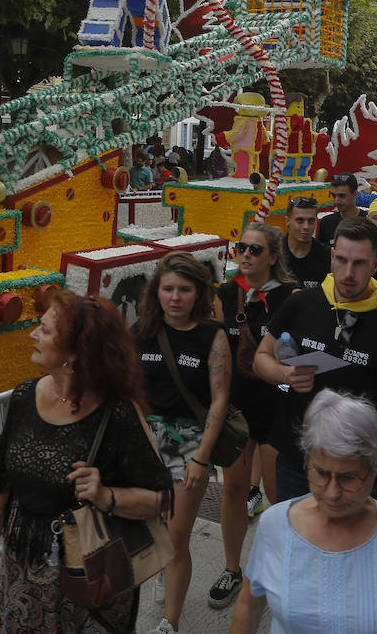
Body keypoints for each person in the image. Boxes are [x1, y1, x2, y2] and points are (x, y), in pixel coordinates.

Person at [0, 292, 172, 633]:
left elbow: (161, 499)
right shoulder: (23, 397)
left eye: (46, 331)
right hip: (24, 568)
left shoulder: (118, 414)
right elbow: (6, 478)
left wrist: (106, 495)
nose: (32, 335)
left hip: (90, 577)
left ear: (75, 352)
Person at [229, 389, 377, 634]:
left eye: (349, 478)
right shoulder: (275, 525)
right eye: (322, 473)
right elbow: (249, 605)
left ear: (375, 469)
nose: (332, 493)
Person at [254, 217, 377, 508]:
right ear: (331, 256)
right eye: (341, 260)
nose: (348, 273)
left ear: (376, 265)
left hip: (356, 467)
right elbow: (261, 358)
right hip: (297, 459)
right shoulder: (301, 304)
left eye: (360, 263)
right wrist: (284, 374)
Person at [133, 252, 231, 634]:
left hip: (190, 440)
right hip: (144, 440)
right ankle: (161, 568)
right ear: (156, 291)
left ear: (198, 293)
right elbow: (129, 391)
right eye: (168, 288)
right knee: (147, 527)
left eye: (184, 290)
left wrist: (202, 459)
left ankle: (169, 623)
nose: (175, 297)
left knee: (176, 537)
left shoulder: (213, 335)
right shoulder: (140, 332)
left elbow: (219, 399)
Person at [210, 223, 298, 608]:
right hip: (237, 407)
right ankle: (232, 568)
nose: (245, 255)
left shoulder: (290, 298)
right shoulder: (226, 294)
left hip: (278, 405)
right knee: (233, 489)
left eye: (255, 250)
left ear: (273, 257)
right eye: (241, 248)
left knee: (278, 495)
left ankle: (279, 566)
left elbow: (296, 355)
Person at [282, 196, 331, 289]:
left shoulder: (325, 256)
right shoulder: (274, 251)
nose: (306, 226)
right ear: (287, 221)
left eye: (311, 221)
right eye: (300, 221)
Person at [316, 173, 366, 243]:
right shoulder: (326, 222)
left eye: (342, 196)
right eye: (333, 196)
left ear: (355, 194)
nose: (336, 201)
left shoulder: (368, 221)